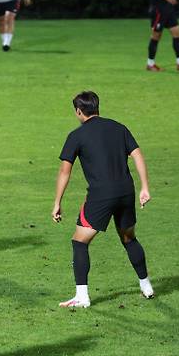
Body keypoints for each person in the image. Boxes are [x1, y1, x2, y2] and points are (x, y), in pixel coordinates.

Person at [52, 91, 154, 308]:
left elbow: (64, 171)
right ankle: (146, 286)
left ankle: (82, 296)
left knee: (79, 242)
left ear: (79, 111)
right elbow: (137, 154)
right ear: (98, 107)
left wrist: (57, 202)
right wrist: (144, 187)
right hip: (126, 191)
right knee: (129, 238)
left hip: (101, 196)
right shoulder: (119, 127)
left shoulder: (76, 136)